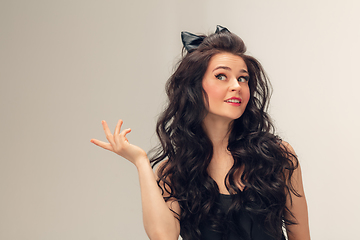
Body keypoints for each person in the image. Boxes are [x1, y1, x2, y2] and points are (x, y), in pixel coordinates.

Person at [91, 25, 310, 240]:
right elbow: (163, 236)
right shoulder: (175, 172)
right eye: (221, 76)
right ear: (194, 87)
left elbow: (301, 237)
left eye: (243, 78)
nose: (236, 85)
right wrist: (140, 162)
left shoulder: (275, 155)